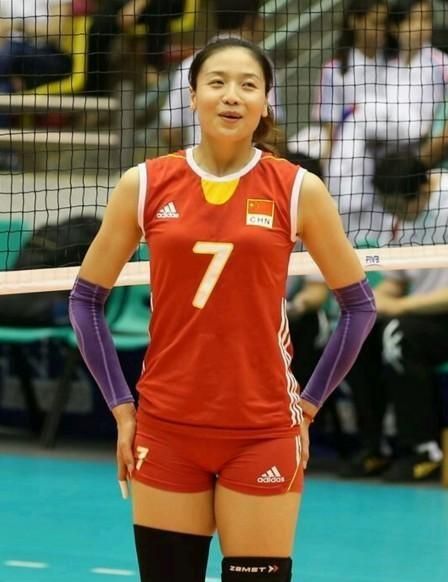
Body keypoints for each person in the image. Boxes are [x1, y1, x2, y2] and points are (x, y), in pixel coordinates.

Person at [69, 38, 376, 582]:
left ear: (266, 102)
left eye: (248, 85)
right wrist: (121, 409)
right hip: (166, 429)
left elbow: (359, 306)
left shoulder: (297, 189)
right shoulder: (144, 184)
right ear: (192, 97)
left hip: (261, 431)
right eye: (217, 82)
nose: (232, 96)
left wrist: (307, 407)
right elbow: (86, 299)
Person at [342, 155, 448, 482]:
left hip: (436, 314)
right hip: (419, 314)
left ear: (422, 191)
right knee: (356, 332)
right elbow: (396, 281)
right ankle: (374, 447)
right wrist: (368, 303)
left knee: (398, 334)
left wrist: (401, 307)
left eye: (399, 208)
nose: (394, 215)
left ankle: (424, 449)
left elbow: (404, 301)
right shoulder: (398, 217)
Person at [159, 0, 284, 152]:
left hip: (198, 161)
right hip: (249, 162)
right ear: (250, 20)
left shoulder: (190, 63)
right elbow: (271, 132)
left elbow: (170, 132)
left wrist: (185, 161)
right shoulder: (260, 65)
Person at [314, 0, 391, 245]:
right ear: (355, 21)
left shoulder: (394, 63)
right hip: (349, 167)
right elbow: (330, 129)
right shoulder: (334, 70)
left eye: (385, 23)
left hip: (389, 166)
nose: (381, 29)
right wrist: (326, 176)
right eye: (375, 22)